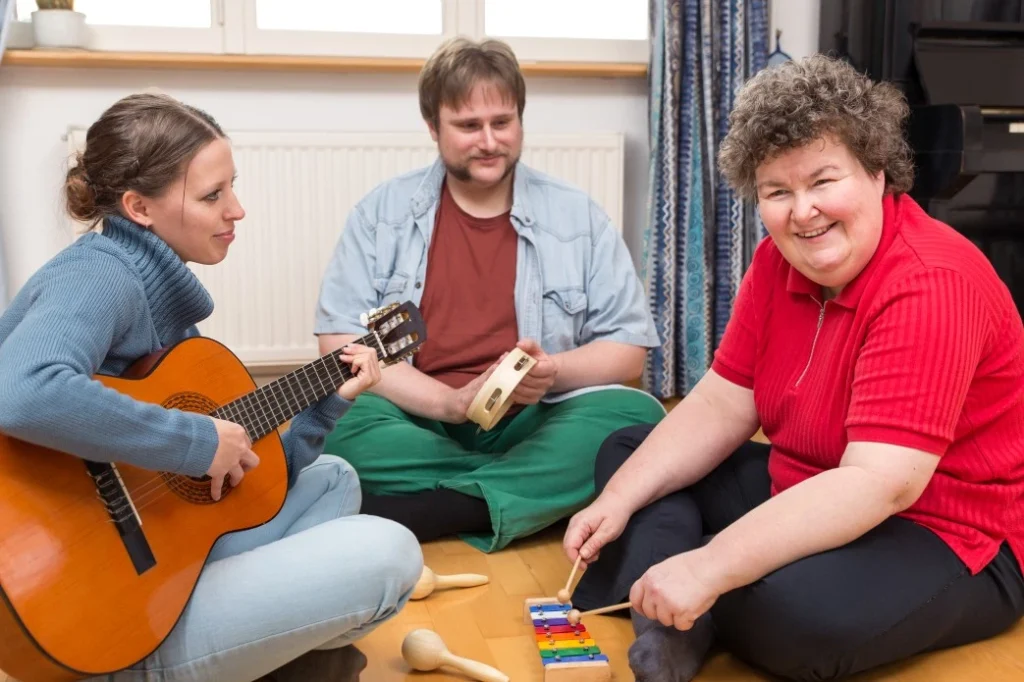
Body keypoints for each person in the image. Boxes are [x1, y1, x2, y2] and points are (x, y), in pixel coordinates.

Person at [564, 54, 1024, 682]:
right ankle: (681, 605)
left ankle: (680, 593)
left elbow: (879, 485)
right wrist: (618, 502)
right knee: (628, 453)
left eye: (822, 181)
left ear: (877, 171)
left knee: (792, 614)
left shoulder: (932, 282)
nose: (801, 212)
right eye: (778, 192)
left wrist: (711, 564)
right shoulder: (775, 263)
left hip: (945, 532)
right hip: (804, 485)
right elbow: (723, 403)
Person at [0, 93, 422, 682]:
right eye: (212, 195)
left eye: (232, 187)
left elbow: (236, 487)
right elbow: (22, 390)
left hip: (150, 556)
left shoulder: (163, 303)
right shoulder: (99, 274)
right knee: (391, 554)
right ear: (138, 207)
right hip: (96, 622)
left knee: (335, 481)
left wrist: (323, 407)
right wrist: (194, 441)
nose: (238, 210)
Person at [313, 36, 666, 553]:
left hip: (531, 422)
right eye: (468, 126)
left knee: (640, 419)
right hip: (417, 416)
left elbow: (628, 349)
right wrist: (450, 402)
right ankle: (521, 494)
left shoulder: (577, 215)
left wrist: (554, 373)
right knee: (329, 416)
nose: (489, 141)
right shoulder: (381, 213)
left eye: (502, 123)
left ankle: (444, 505)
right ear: (433, 127)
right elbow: (340, 341)